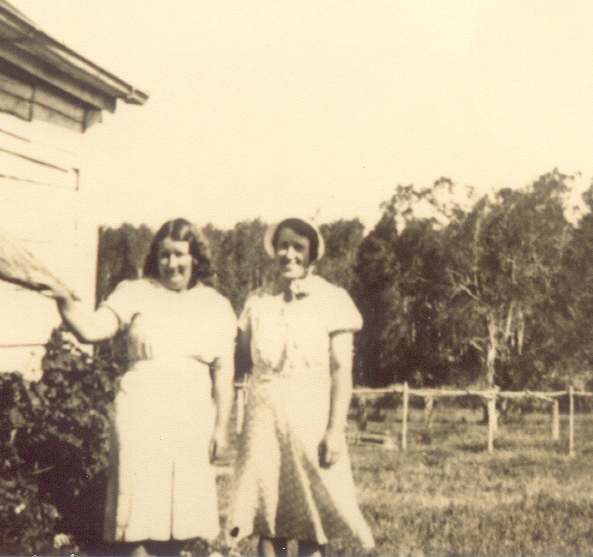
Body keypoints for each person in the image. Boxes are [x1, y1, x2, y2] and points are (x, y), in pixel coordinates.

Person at [52, 218, 236, 557]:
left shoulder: (216, 305)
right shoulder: (134, 292)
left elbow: (224, 371)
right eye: (164, 255)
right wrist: (63, 301)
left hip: (191, 413)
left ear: (195, 257)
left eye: (179, 254)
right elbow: (91, 330)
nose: (171, 264)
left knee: (179, 510)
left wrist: (221, 428)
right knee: (138, 502)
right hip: (141, 408)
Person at [228, 217, 375, 557]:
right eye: (283, 246)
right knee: (268, 515)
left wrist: (335, 431)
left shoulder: (333, 299)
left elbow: (342, 370)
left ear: (312, 254)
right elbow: (239, 358)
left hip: (310, 417)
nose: (289, 254)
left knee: (313, 518)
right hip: (263, 417)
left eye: (298, 247)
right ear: (273, 250)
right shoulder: (258, 301)